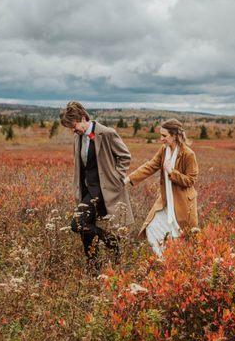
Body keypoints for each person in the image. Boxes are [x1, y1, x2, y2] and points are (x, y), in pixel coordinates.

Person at [59, 101, 134, 270]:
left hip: (103, 190)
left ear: (83, 118)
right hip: (86, 189)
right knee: (84, 229)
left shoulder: (107, 133)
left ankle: (111, 241)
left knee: (77, 224)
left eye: (74, 125)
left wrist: (116, 178)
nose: (73, 130)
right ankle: (94, 267)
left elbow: (125, 156)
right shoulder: (77, 137)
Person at [125, 119, 198, 256]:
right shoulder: (164, 150)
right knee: (152, 228)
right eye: (161, 135)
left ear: (175, 136)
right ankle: (164, 260)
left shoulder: (188, 154)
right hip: (166, 200)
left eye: (164, 136)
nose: (161, 139)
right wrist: (129, 179)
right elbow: (151, 165)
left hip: (182, 203)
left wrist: (172, 172)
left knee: (182, 237)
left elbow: (191, 180)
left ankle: (179, 264)